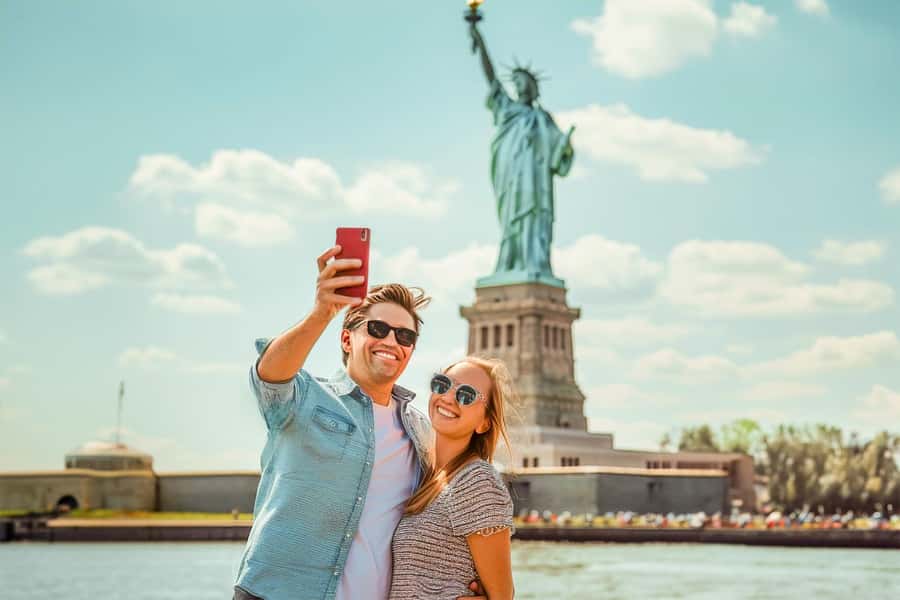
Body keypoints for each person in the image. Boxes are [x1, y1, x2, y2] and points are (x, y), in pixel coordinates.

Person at [233, 246, 435, 600]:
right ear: (347, 338)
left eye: (405, 336)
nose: (391, 341)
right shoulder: (305, 398)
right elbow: (270, 376)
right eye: (378, 328)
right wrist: (322, 312)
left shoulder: (421, 431)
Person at [389, 357, 516, 600]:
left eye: (467, 395)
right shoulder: (426, 475)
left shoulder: (476, 481)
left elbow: (502, 596)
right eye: (442, 384)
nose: (448, 397)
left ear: (484, 423)